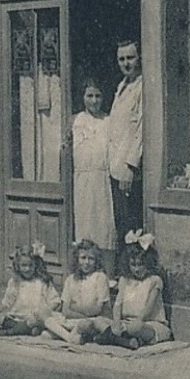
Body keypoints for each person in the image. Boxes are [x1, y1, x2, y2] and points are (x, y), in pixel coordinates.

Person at [67, 78, 116, 274]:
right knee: (84, 225)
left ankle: (107, 274)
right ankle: (83, 272)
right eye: (89, 96)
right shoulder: (74, 121)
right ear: (83, 97)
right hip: (81, 180)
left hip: (102, 180)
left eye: (97, 96)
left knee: (104, 225)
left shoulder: (108, 121)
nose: (94, 101)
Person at [96, 231, 172, 350]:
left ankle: (116, 338)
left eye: (141, 265)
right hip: (126, 322)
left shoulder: (155, 281)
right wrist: (116, 322)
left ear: (149, 263)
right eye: (133, 265)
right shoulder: (124, 280)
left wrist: (138, 320)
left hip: (148, 323)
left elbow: (148, 308)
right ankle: (126, 341)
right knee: (99, 321)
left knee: (135, 328)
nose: (136, 269)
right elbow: (118, 304)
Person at [108, 39, 143, 261]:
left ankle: (131, 273)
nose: (126, 63)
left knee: (130, 223)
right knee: (120, 222)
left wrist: (131, 166)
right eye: (122, 59)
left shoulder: (141, 87)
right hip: (114, 164)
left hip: (128, 169)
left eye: (130, 57)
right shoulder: (122, 86)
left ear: (139, 58)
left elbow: (141, 129)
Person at [43, 239, 112, 345]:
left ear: (97, 260)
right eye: (83, 258)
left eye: (91, 259)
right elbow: (65, 310)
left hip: (92, 320)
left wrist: (74, 307)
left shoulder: (100, 277)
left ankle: (63, 334)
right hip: (72, 319)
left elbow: (97, 309)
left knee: (84, 325)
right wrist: (78, 311)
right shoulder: (71, 279)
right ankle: (70, 337)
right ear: (77, 259)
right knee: (45, 316)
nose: (87, 262)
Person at [0, 243, 60, 337]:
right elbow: (8, 301)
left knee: (36, 325)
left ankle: (7, 332)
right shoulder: (15, 282)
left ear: (36, 265)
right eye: (24, 265)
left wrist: (45, 312)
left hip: (34, 320)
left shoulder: (42, 282)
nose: (27, 269)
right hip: (17, 318)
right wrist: (0, 309)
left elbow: (55, 301)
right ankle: (20, 329)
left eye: (30, 265)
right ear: (18, 265)